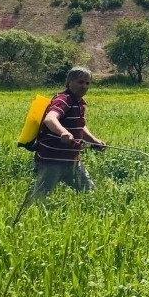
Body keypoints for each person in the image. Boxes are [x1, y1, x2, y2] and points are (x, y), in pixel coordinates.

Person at [30, 66, 106, 199]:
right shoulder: (63, 99)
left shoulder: (80, 103)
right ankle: (30, 217)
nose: (84, 86)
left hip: (72, 161)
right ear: (69, 82)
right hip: (52, 161)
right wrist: (63, 132)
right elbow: (50, 118)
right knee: (39, 198)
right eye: (80, 82)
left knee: (90, 194)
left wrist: (94, 140)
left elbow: (80, 126)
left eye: (87, 83)